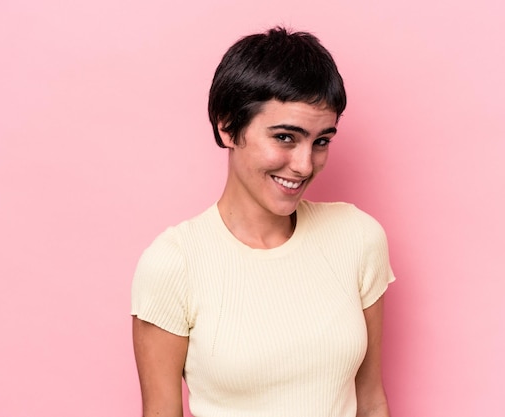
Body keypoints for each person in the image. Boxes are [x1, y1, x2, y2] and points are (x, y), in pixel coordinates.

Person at [131, 27, 395, 417]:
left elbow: (370, 400)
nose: (305, 165)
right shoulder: (175, 263)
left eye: (322, 141)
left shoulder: (357, 237)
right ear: (227, 126)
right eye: (286, 137)